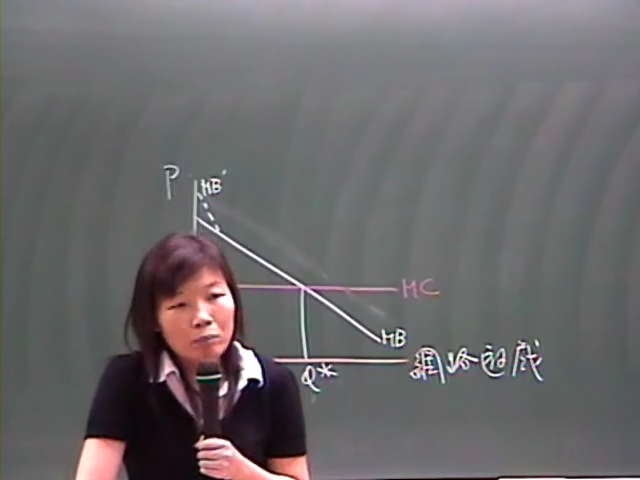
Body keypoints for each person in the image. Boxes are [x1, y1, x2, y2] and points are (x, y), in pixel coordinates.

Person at [74, 232, 310, 480]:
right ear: (154, 319)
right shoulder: (128, 379)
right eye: (179, 305)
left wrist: (242, 471)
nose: (202, 318)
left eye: (215, 296)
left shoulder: (272, 382)